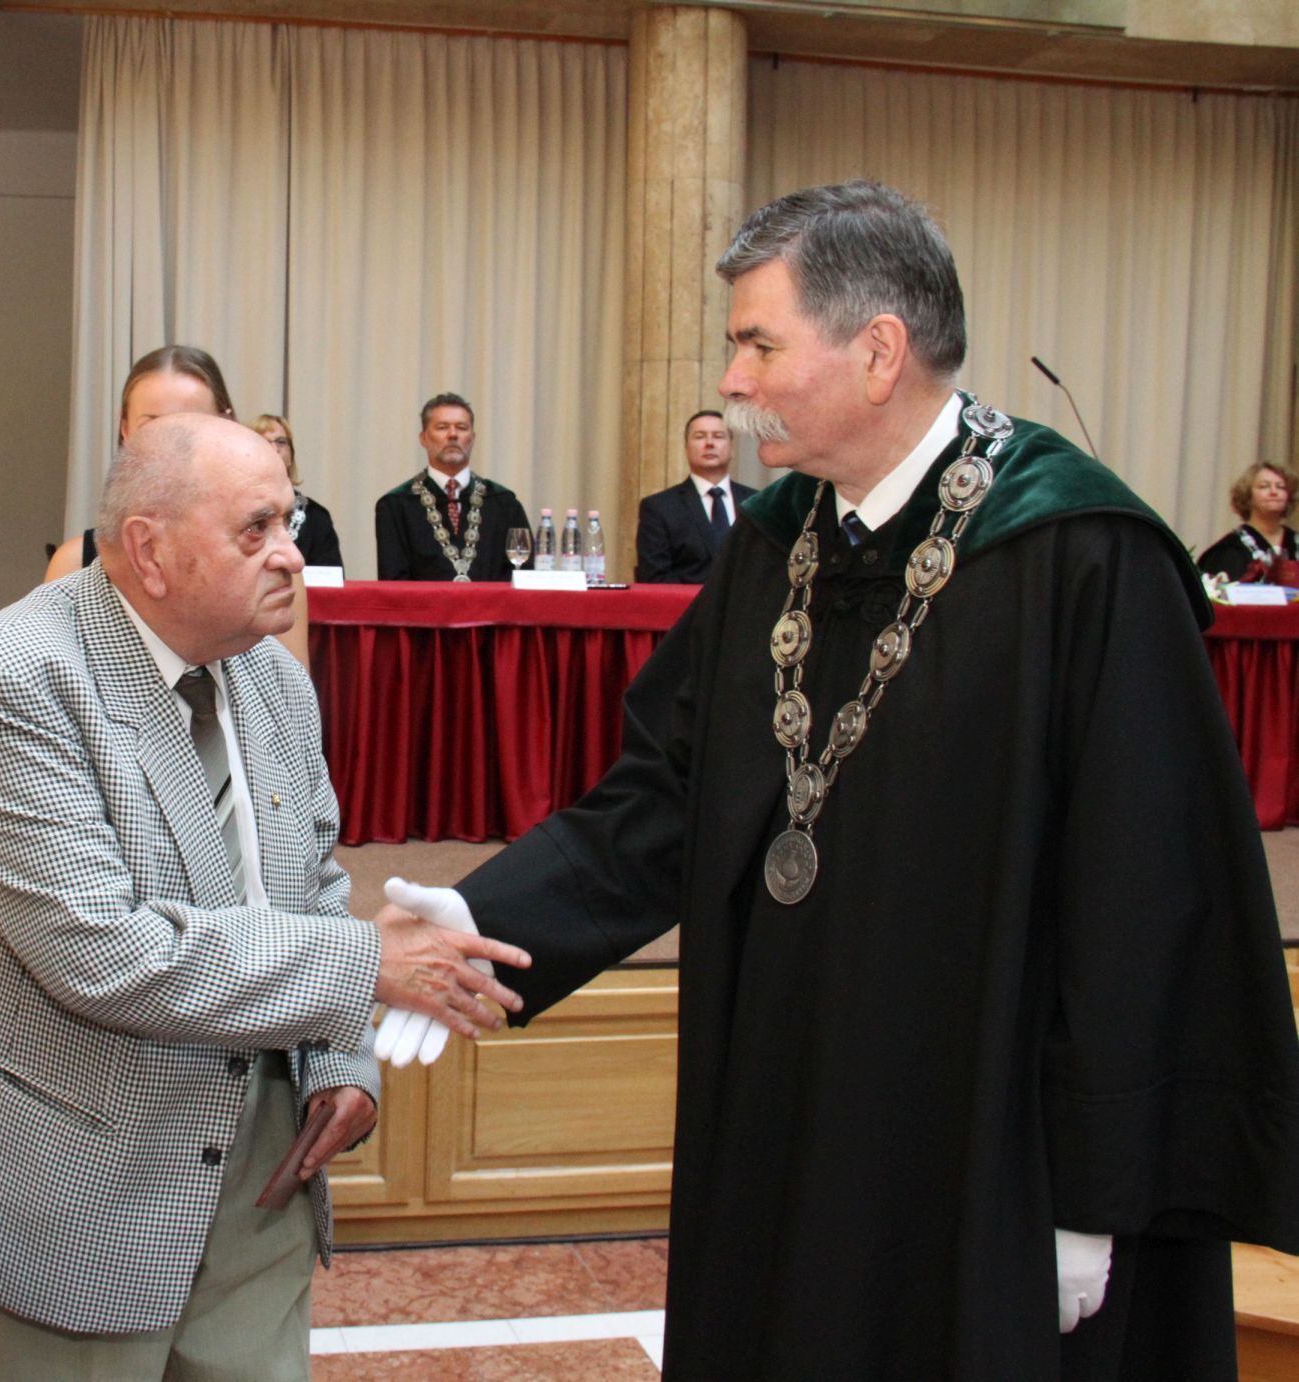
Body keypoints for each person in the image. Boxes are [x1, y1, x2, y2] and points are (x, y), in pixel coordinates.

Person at [383, 182, 1299, 1379]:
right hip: (796, 1105)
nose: (731, 381)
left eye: (758, 344)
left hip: (994, 1150)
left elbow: (1148, 900)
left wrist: (1100, 1191)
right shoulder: (776, 543)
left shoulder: (1079, 552)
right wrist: (484, 916)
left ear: (877, 351)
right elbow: (665, 795)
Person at [0, 412, 529, 1380]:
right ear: (149, 551)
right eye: (257, 530)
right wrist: (369, 964)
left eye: (290, 521)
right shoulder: (17, 676)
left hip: (262, 1187)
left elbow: (313, 884)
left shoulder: (275, 679)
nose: (291, 555)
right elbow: (102, 953)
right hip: (83, 1204)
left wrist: (340, 1058)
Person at [47, 344, 311, 666]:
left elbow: (289, 686)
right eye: (152, 425)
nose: (173, 445)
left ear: (226, 423)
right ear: (125, 430)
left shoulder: (273, 569)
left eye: (192, 423)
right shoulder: (75, 562)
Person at [374, 392, 532, 581]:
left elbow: (523, 576)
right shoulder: (396, 505)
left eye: (461, 427)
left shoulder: (504, 504)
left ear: (472, 438)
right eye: (442, 427)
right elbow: (393, 583)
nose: (453, 434)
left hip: (492, 602)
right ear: (424, 438)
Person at [633, 409, 758, 583]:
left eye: (718, 436)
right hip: (686, 600)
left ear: (732, 448)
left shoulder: (757, 502)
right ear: (686, 448)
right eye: (700, 437)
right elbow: (654, 577)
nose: (709, 443)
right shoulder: (659, 507)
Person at [252, 413, 342, 567]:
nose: (274, 448)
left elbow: (330, 578)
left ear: (291, 456)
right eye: (263, 442)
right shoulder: (236, 512)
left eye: (281, 442)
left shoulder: (317, 517)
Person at [1196, 461, 1298, 582]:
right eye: (1264, 486)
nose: (1273, 492)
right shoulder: (1228, 551)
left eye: (1281, 487)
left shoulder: (1295, 542)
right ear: (1248, 496)